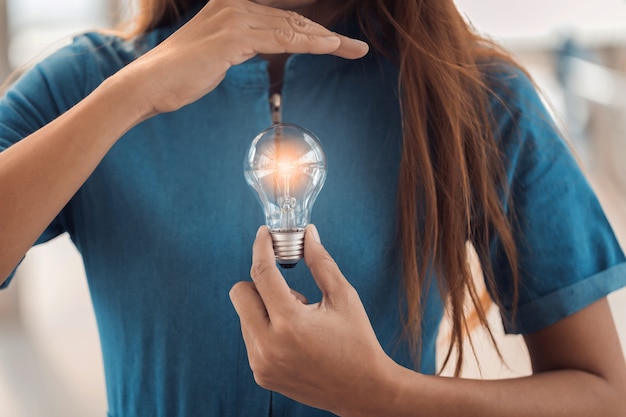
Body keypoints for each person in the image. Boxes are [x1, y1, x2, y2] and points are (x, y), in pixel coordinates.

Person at [1, 0, 625, 415]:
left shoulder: (477, 97)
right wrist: (133, 93)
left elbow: (602, 395)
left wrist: (383, 396)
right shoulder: (86, 85)